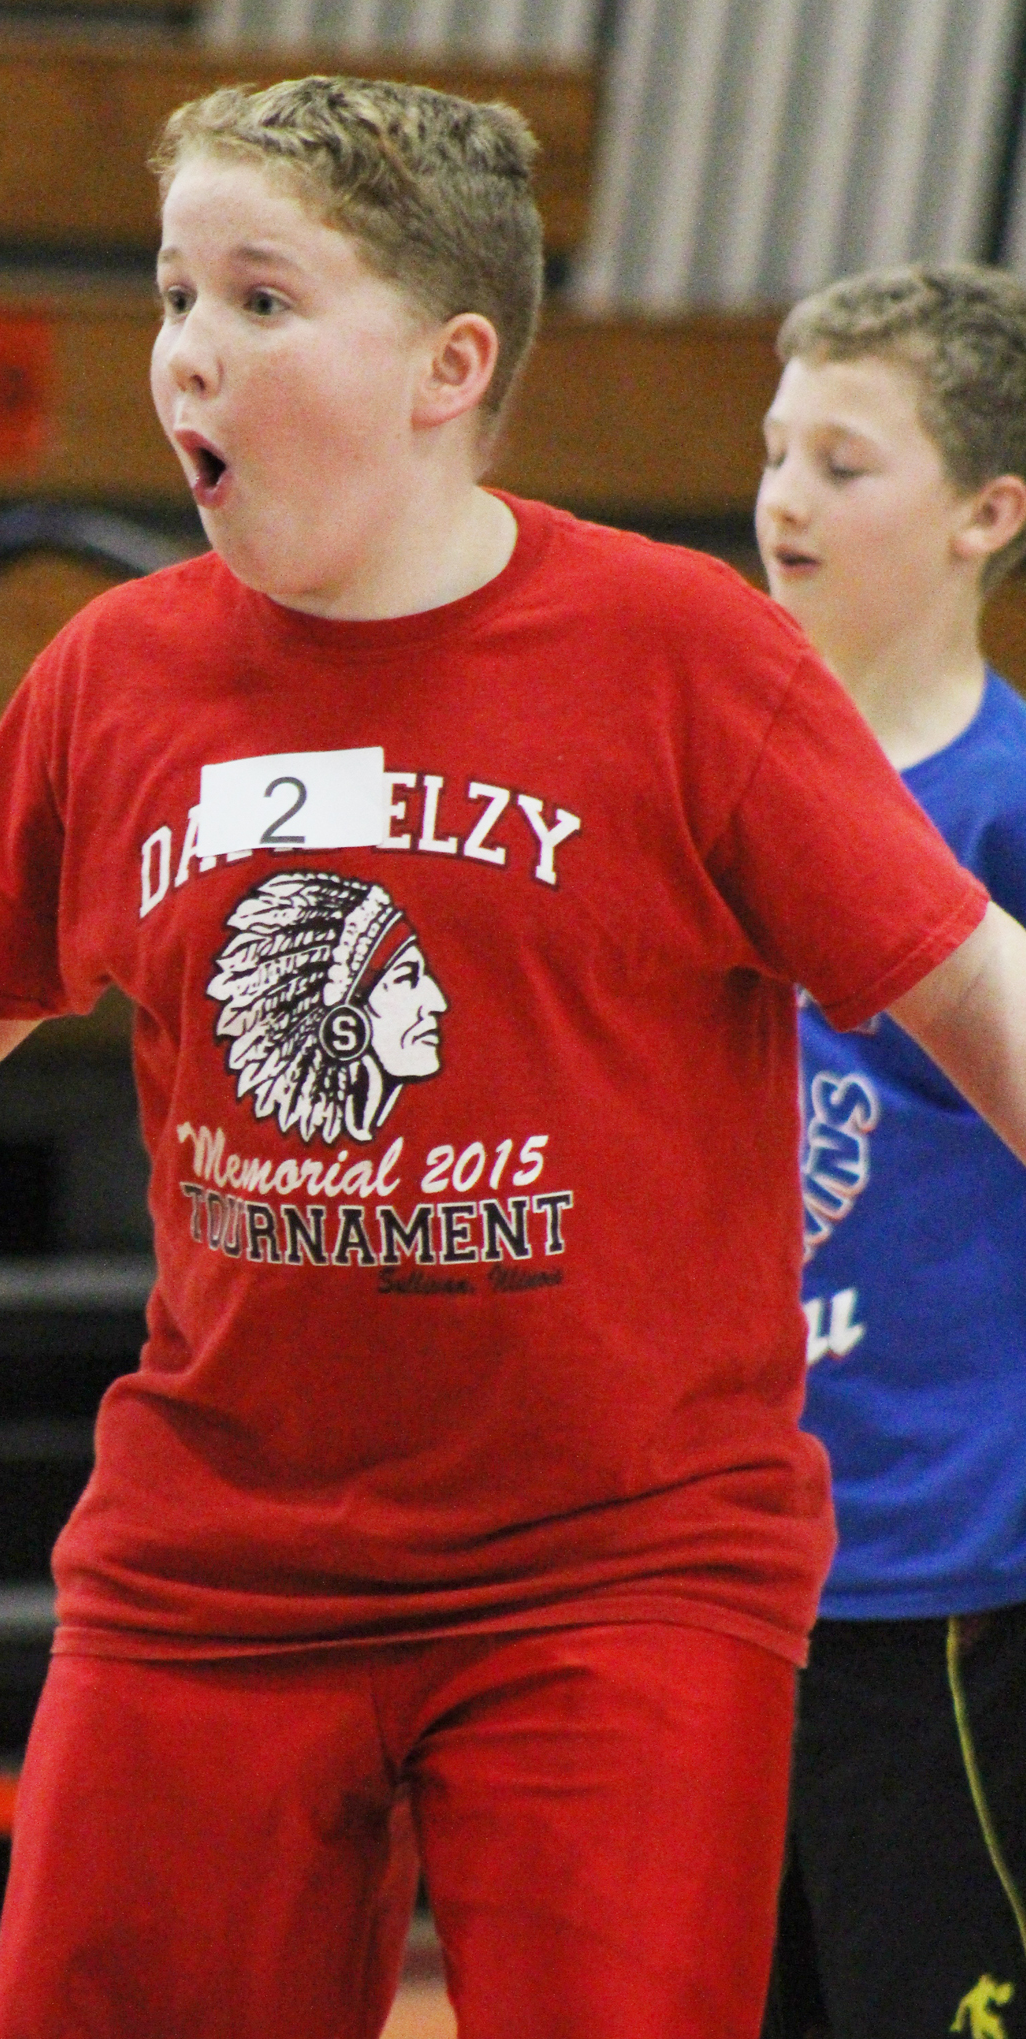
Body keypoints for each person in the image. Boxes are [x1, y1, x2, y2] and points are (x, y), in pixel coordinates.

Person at [0, 80, 1026, 2036]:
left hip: (618, 1567)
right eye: (174, 293)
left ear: (448, 363)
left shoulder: (683, 655)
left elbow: (975, 996)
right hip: (218, 1560)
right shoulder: (119, 671)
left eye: (259, 298)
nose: (187, 349)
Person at [754, 267, 1026, 2039]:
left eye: (843, 462)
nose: (781, 495)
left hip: (938, 1575)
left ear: (987, 516)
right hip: (704, 1560)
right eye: (773, 447)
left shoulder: (1009, 804)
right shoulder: (698, 774)